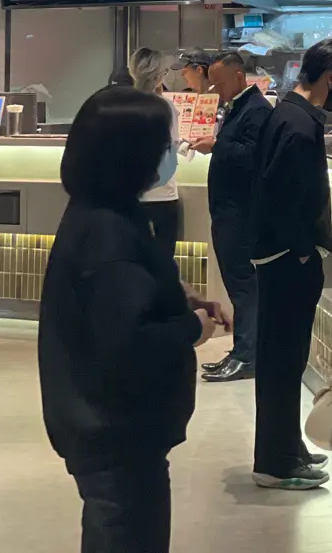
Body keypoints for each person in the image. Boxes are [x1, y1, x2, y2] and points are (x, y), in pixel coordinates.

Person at [38, 86, 227, 553]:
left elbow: (120, 303)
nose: (170, 154)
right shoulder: (109, 233)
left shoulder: (100, 212)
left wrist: (179, 297)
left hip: (103, 425)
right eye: (164, 146)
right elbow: (129, 342)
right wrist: (192, 329)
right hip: (116, 431)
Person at [248, 37, 332, 490]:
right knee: (283, 361)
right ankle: (275, 462)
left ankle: (285, 447)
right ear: (331, 77)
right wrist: (302, 250)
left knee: (283, 359)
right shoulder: (299, 125)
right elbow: (286, 197)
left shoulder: (287, 113)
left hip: (278, 256)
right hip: (287, 260)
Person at [192, 51, 271, 383]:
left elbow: (254, 156)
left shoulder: (257, 110)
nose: (216, 90)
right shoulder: (239, 107)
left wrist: (216, 146)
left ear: (239, 77)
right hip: (227, 211)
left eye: (219, 83)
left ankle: (247, 355)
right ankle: (242, 350)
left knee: (243, 286)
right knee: (238, 285)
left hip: (241, 213)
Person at [129, 48, 183, 260]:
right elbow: (173, 144)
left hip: (131, 195)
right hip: (163, 196)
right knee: (162, 262)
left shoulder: (122, 105)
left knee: (133, 260)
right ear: (160, 74)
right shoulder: (166, 107)